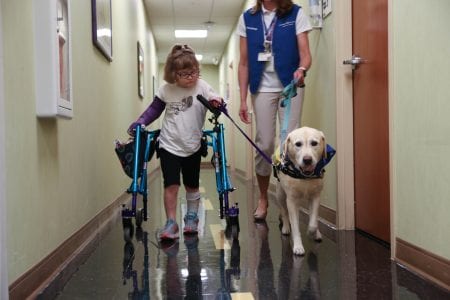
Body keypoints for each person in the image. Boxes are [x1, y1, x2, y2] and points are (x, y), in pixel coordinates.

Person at [128, 44, 222, 241]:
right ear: (173, 74)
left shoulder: (202, 86)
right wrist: (140, 122)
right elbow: (153, 110)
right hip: (169, 144)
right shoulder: (167, 90)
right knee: (171, 185)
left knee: (192, 185)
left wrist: (217, 103)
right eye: (184, 74)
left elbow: (215, 99)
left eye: (194, 72)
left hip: (193, 146)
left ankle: (191, 217)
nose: (190, 77)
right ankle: (171, 222)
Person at [237, 0, 312, 220]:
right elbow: (243, 63)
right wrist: (242, 99)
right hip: (262, 88)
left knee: (290, 144)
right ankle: (263, 197)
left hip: (291, 85)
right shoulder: (248, 18)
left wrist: (301, 68)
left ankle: (288, 201)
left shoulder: (296, 14)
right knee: (265, 143)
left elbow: (305, 54)